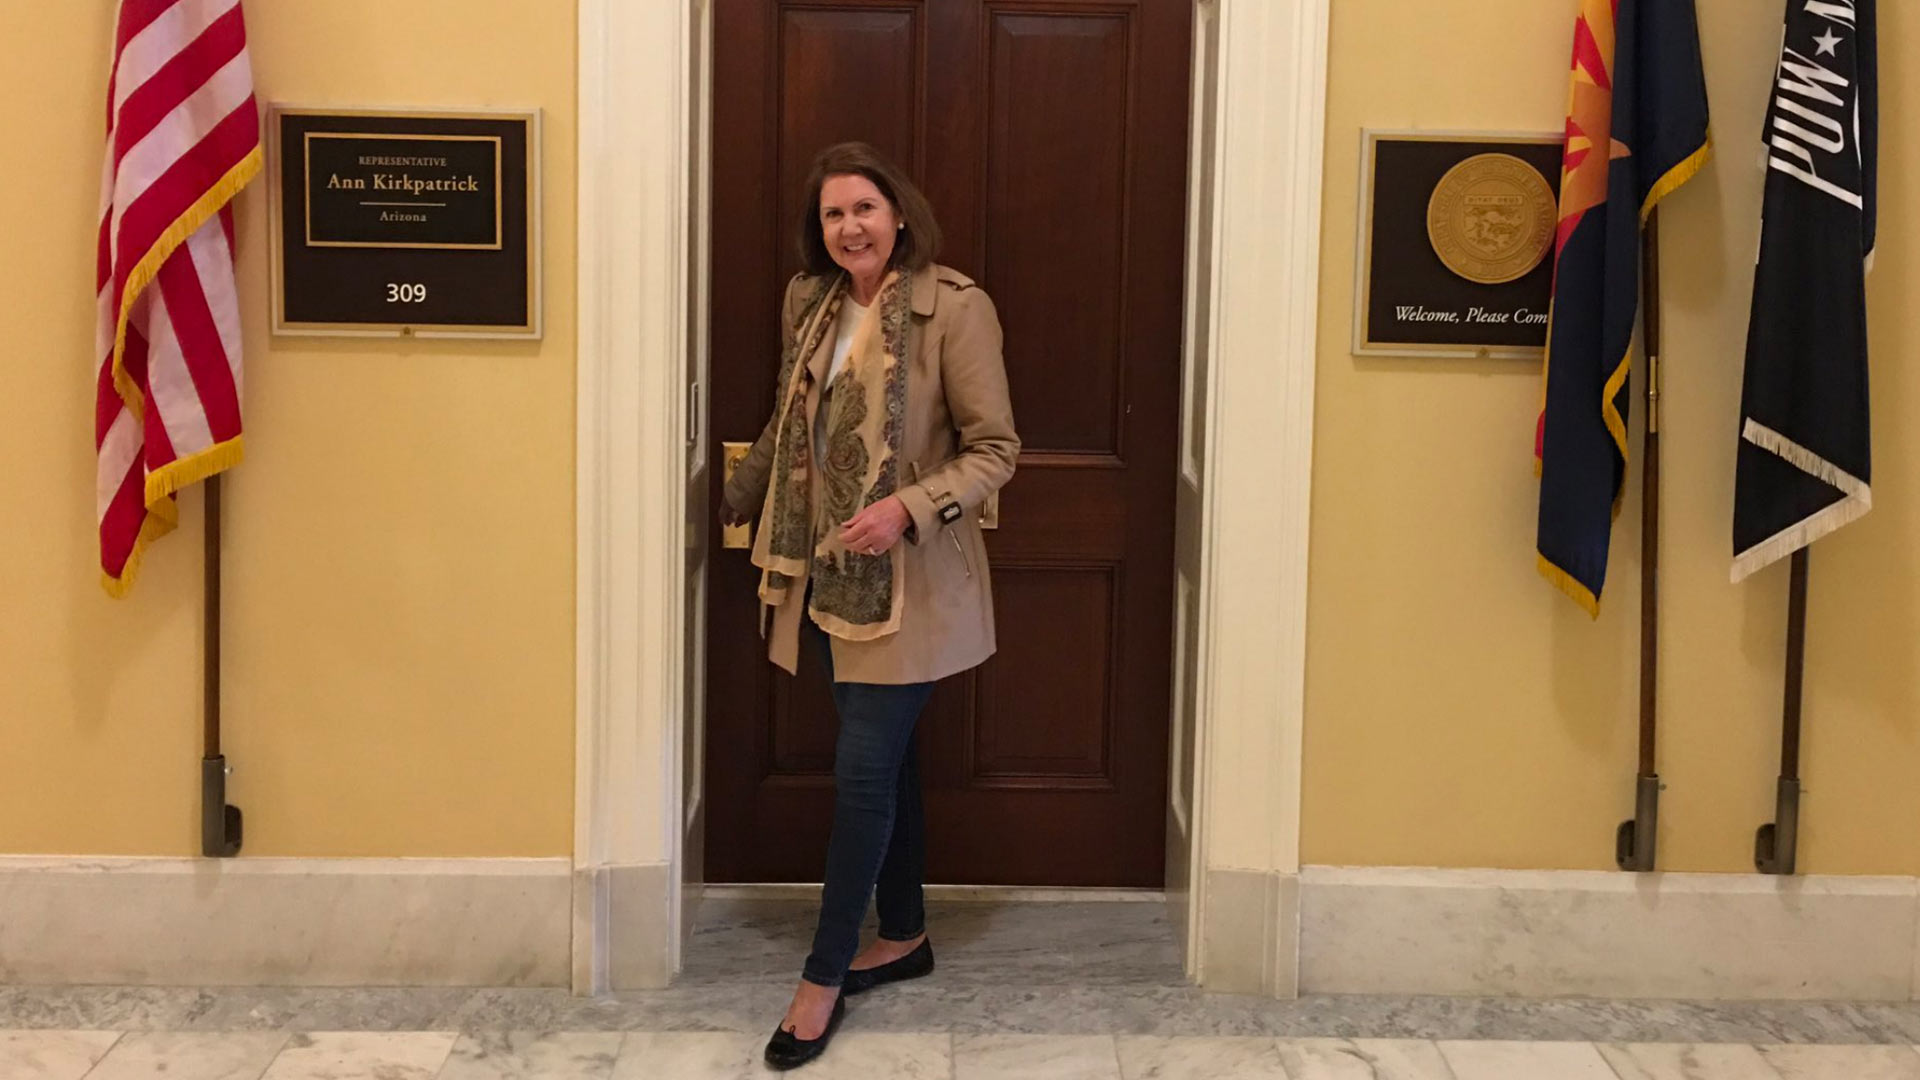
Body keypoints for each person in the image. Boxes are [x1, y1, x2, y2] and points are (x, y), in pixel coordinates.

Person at [720, 141, 1018, 1070]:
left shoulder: (952, 310)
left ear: (899, 215)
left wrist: (907, 508)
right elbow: (784, 419)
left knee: (859, 778)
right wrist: (742, 500)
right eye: (832, 216)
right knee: (883, 767)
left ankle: (820, 979)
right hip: (819, 575)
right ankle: (908, 933)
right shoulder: (807, 304)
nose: (850, 227)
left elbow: (995, 449)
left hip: (910, 587)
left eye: (865, 209)